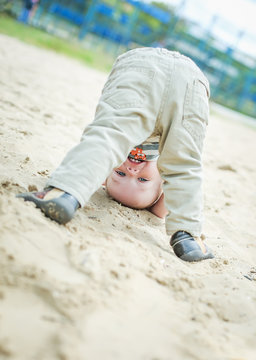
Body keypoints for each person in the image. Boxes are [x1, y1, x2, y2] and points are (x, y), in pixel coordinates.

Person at [17, 47, 214, 262]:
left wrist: (89, 177)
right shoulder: (165, 185)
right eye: (142, 179)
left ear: (104, 172)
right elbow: (181, 175)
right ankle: (187, 235)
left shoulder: (109, 157)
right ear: (164, 187)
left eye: (119, 174)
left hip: (142, 65)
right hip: (191, 82)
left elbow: (100, 152)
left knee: (107, 137)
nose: (131, 169)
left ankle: (65, 193)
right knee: (184, 163)